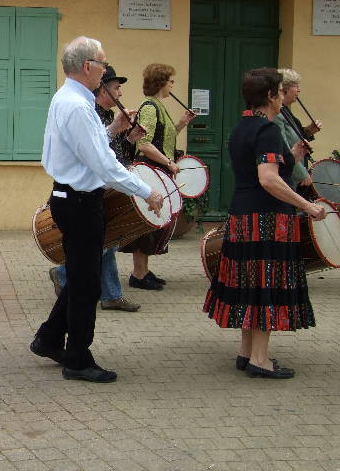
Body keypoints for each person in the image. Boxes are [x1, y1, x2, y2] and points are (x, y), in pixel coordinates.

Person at [30, 37, 163, 383]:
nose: (105, 70)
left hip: (72, 199)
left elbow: (85, 148)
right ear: (88, 66)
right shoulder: (77, 105)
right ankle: (77, 359)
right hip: (79, 202)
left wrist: (113, 129)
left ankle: (48, 339)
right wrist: (146, 191)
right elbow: (104, 166)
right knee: (87, 285)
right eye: (103, 63)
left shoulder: (70, 99)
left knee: (80, 277)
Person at [203, 68, 325, 379]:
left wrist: (292, 154)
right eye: (281, 92)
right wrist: (308, 206)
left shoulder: (243, 127)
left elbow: (262, 167)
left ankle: (246, 353)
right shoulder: (268, 129)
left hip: (243, 215)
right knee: (265, 286)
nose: (284, 97)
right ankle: (260, 359)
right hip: (267, 217)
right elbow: (268, 179)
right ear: (270, 96)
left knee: (250, 284)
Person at [49, 66, 144, 313]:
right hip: (87, 190)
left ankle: (98, 290)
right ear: (103, 90)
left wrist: (129, 138)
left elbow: (112, 151)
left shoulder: (105, 114)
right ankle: (74, 279)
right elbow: (98, 158)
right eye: (116, 88)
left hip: (103, 186)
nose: (120, 93)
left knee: (104, 243)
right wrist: (144, 191)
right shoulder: (87, 112)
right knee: (101, 245)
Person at [119, 63, 196, 291]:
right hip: (150, 171)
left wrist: (182, 123)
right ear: (161, 82)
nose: (173, 85)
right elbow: (144, 144)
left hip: (157, 170)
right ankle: (138, 274)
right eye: (171, 81)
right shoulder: (150, 108)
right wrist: (169, 163)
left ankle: (143, 270)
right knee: (147, 221)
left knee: (153, 221)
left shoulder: (158, 107)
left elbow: (163, 138)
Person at [272, 69, 315, 190]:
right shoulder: (277, 114)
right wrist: (301, 174)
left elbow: (294, 138)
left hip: (292, 173)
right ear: (284, 88)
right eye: (296, 86)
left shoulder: (285, 111)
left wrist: (309, 131)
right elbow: (284, 147)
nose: (299, 90)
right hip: (287, 177)